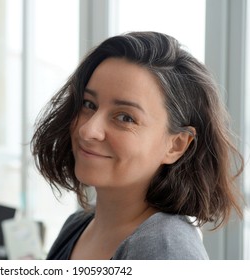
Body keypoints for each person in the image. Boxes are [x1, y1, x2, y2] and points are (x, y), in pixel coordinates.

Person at [30, 31, 244, 260]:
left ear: (176, 145)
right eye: (89, 104)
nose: (88, 130)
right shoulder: (78, 225)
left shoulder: (165, 250)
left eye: (125, 118)